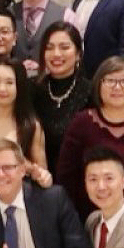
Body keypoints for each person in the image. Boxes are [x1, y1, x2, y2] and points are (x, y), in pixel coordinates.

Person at [57, 57, 124, 220]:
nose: (117, 87)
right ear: (98, 84)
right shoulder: (82, 123)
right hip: (93, 220)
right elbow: (66, 176)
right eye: (110, 81)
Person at [33, 22, 92, 170]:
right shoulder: (32, 89)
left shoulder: (91, 92)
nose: (56, 54)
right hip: (37, 180)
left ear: (78, 54)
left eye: (64, 47)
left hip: (78, 181)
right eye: (49, 48)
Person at [0, 60, 48, 175]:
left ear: (19, 87)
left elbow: (42, 175)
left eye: (9, 83)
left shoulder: (31, 126)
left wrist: (29, 168)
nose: (2, 88)